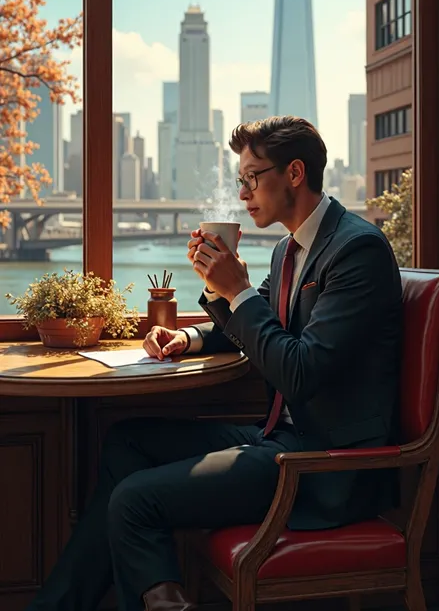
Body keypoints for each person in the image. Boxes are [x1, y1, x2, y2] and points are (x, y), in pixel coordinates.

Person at [26, 116, 403, 611]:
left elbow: (299, 372)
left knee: (135, 502)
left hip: (323, 465)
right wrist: (188, 335)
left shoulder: (357, 251)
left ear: (294, 173)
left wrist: (238, 289)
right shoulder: (289, 249)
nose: (244, 192)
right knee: (126, 441)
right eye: (239, 180)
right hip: (282, 439)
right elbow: (255, 324)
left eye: (252, 177)